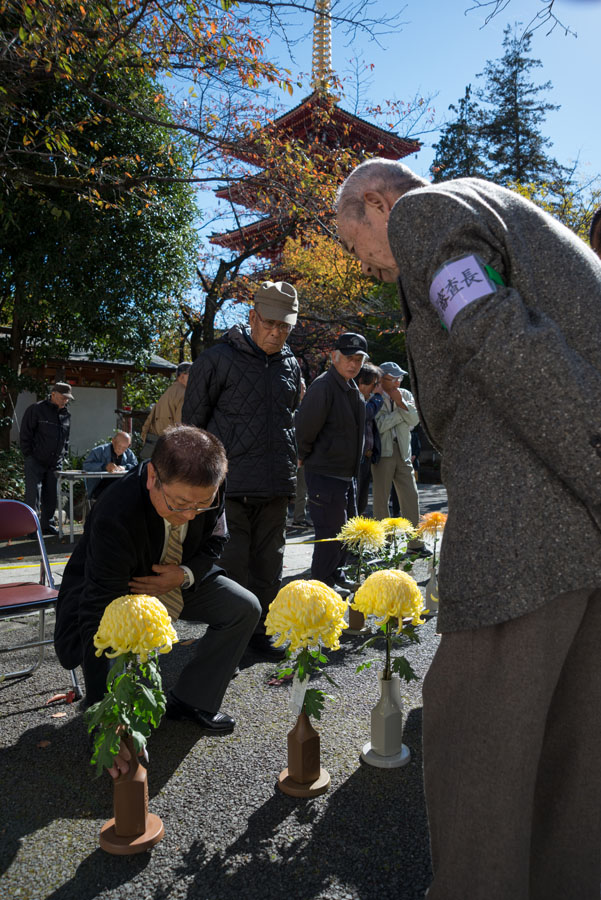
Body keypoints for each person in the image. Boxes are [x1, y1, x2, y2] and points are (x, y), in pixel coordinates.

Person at [335, 157, 601, 899]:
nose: (364, 265)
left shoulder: (427, 216)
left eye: (356, 243)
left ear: (380, 201)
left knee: (475, 749)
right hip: (575, 533)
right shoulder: (510, 214)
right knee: (571, 764)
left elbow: (500, 340)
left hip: (524, 526)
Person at [54, 425, 261, 736]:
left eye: (202, 504)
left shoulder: (208, 487)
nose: (192, 514)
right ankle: (117, 713)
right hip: (121, 589)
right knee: (112, 635)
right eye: (179, 503)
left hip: (178, 577)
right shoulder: (115, 511)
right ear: (152, 477)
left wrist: (183, 575)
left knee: (244, 607)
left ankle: (193, 699)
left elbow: (218, 540)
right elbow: (98, 609)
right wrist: (105, 724)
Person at [182, 282, 302, 658]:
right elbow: (193, 427)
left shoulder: (291, 363)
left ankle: (262, 634)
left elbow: (288, 422)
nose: (277, 332)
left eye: (285, 326)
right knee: (231, 568)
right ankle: (227, 642)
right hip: (228, 488)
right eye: (270, 323)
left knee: (270, 568)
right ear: (252, 318)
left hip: (275, 485)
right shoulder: (216, 359)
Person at [295, 333, 367, 594]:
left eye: (358, 359)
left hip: (346, 474)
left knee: (344, 531)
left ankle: (335, 574)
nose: (353, 364)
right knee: (328, 533)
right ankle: (322, 584)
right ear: (334, 356)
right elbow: (305, 427)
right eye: (349, 358)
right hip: (325, 473)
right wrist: (302, 454)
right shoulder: (324, 386)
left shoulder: (350, 386)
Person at [370, 361, 423, 550]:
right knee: (381, 500)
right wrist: (402, 412)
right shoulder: (374, 396)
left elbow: (416, 420)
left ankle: (415, 542)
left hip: (403, 452)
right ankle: (384, 543)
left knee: (411, 496)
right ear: (381, 379)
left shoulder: (406, 394)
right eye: (392, 379)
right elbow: (379, 425)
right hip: (383, 453)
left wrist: (400, 402)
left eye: (399, 378)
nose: (397, 383)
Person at [20, 381, 73, 536]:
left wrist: (64, 456)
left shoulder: (66, 415)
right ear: (53, 394)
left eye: (68, 398)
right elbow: (25, 433)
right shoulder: (36, 409)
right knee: (33, 495)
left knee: (51, 495)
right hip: (35, 459)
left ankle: (47, 525)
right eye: (63, 397)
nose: (66, 400)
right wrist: (29, 454)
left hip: (55, 462)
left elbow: (66, 439)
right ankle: (31, 528)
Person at [140, 362, 192, 459]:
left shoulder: (169, 391)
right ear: (182, 376)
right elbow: (180, 424)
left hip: (156, 441)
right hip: (169, 444)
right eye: (192, 374)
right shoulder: (183, 393)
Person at [356, 362, 383, 515]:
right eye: (373, 384)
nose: (374, 389)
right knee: (354, 500)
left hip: (366, 458)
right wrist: (378, 397)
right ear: (361, 382)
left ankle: (356, 535)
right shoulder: (355, 398)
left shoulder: (365, 399)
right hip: (356, 458)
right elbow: (367, 413)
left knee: (362, 501)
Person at [83, 430, 138, 501]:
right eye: (119, 446)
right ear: (113, 441)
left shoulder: (129, 454)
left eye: (124, 448)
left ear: (129, 445)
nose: (121, 450)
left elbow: (136, 467)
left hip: (121, 486)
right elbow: (86, 466)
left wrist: (125, 467)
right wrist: (104, 466)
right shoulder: (99, 451)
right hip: (100, 487)